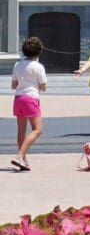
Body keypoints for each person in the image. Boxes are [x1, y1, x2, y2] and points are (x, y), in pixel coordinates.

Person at [11, 36, 47, 171]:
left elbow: (13, 85)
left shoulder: (17, 65)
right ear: (39, 52)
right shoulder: (38, 66)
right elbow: (43, 86)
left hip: (18, 98)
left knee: (21, 130)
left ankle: (24, 160)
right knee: (37, 129)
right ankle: (20, 156)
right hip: (31, 98)